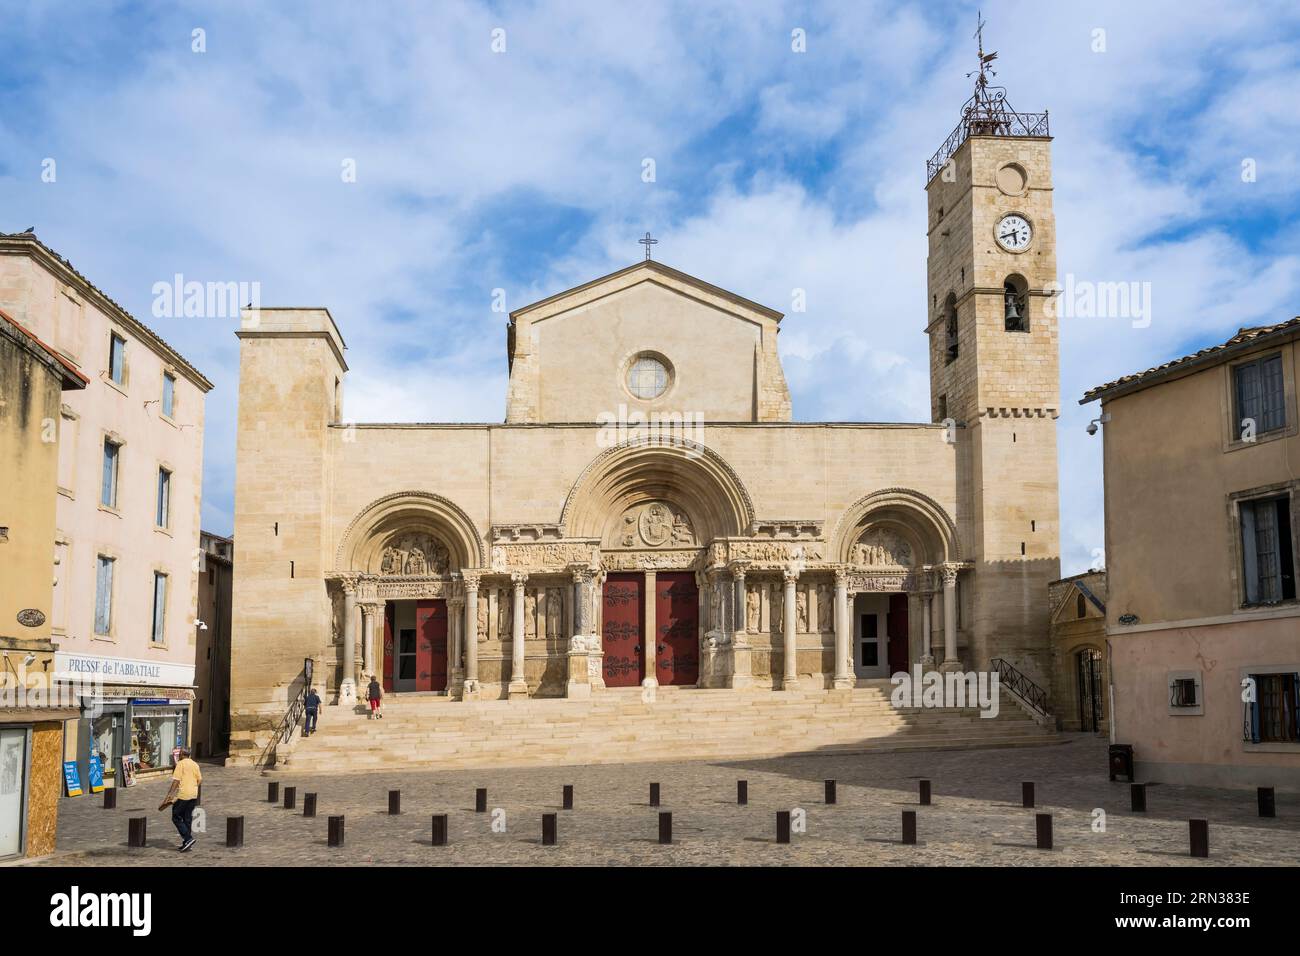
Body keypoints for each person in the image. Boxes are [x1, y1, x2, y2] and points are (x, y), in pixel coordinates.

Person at [159, 746, 203, 852]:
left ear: (183, 754)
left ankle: (188, 839)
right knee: (187, 818)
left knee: (176, 817)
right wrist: (194, 789)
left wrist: (169, 795)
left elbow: (176, 781)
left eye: (180, 754)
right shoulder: (195, 764)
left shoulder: (181, 764)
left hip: (183, 795)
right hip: (193, 794)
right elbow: (200, 780)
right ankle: (187, 843)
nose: (179, 755)